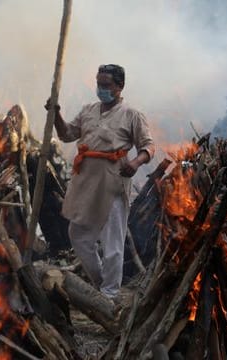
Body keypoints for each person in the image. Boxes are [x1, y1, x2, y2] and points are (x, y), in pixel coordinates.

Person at [48, 64, 155, 298]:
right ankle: (99, 282)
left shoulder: (131, 115)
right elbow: (67, 134)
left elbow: (148, 147)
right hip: (85, 181)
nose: (101, 89)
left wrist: (134, 164)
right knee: (77, 234)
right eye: (99, 84)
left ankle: (109, 295)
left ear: (119, 87)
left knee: (112, 243)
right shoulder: (88, 111)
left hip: (113, 182)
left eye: (106, 85)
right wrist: (55, 114)